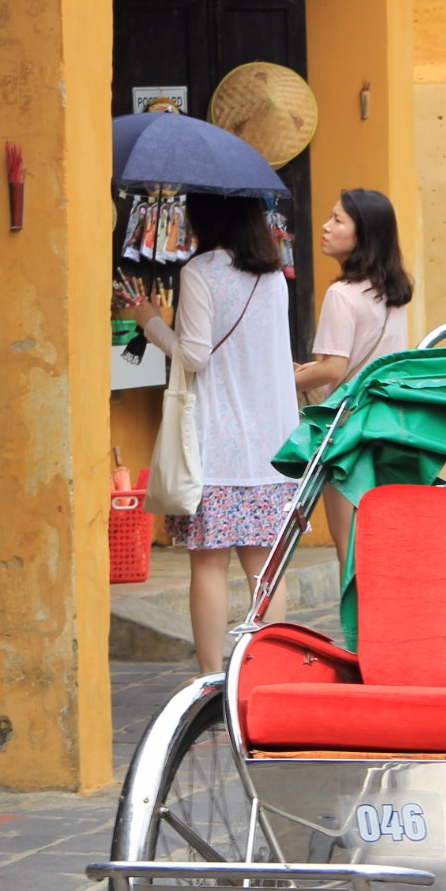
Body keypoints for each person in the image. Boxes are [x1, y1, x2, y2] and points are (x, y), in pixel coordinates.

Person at [127, 193, 298, 674]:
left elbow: (195, 356)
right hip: (272, 446)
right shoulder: (272, 276)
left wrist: (152, 322)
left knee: (208, 565)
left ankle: (210, 678)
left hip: (219, 443)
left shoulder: (200, 272)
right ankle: (266, 674)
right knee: (265, 569)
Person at [293, 188, 412, 568]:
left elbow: (333, 368)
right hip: (390, 423)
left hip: (347, 429)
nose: (326, 227)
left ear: (363, 234)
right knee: (386, 541)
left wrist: (284, 381)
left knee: (350, 547)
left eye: (338, 220)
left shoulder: (341, 294)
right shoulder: (393, 293)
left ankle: (358, 628)